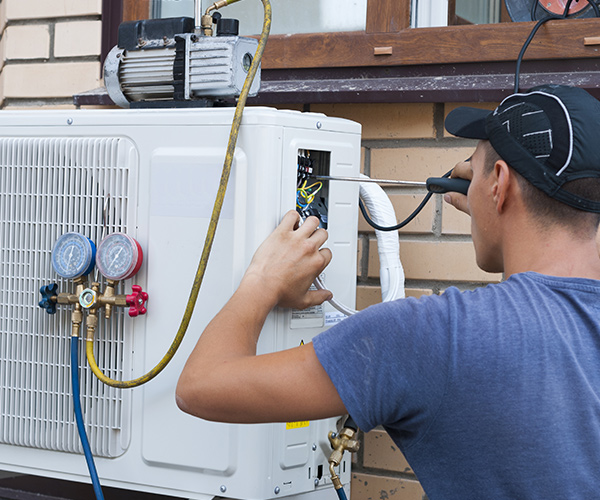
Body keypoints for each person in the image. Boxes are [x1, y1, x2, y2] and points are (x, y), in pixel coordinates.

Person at [176, 84, 600, 499]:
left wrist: (263, 280)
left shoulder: (435, 337)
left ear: (500, 183)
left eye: (478, 170)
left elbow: (200, 386)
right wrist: (494, 206)